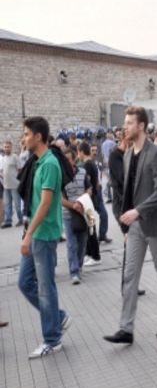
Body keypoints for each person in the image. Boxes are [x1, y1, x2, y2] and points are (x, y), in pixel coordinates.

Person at [104, 106, 157, 345]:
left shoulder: (155, 153)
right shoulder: (126, 155)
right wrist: (126, 225)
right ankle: (126, 328)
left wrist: (138, 211)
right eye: (125, 123)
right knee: (129, 276)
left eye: (129, 123)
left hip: (152, 222)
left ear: (142, 126)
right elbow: (127, 193)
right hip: (134, 226)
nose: (124, 127)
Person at [18, 116, 72, 358]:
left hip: (44, 234)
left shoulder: (49, 164)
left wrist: (28, 235)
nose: (24, 138)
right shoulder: (39, 162)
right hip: (36, 233)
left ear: (38, 136)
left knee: (45, 288)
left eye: (27, 134)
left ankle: (52, 339)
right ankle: (58, 317)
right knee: (24, 282)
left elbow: (47, 202)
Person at [61, 147, 91, 285]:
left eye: (69, 160)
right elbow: (59, 198)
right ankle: (74, 272)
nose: (67, 162)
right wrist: (73, 205)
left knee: (82, 242)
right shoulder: (60, 176)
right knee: (72, 244)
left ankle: (78, 266)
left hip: (84, 212)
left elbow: (89, 188)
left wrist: (82, 201)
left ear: (74, 160)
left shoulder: (83, 172)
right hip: (68, 214)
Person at [79, 142, 111, 244]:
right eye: (93, 150)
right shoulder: (88, 164)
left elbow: (89, 180)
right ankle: (94, 238)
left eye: (78, 152)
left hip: (94, 194)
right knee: (93, 217)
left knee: (99, 215)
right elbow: (87, 182)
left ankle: (99, 236)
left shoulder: (90, 163)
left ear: (82, 152)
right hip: (92, 195)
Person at [2, 140, 24, 228]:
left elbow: (20, 169)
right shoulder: (3, 158)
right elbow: (3, 171)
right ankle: (8, 221)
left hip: (15, 185)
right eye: (5, 147)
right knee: (7, 204)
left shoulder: (15, 157)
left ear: (11, 147)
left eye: (8, 147)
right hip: (6, 185)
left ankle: (21, 219)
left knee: (17, 204)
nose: (6, 148)